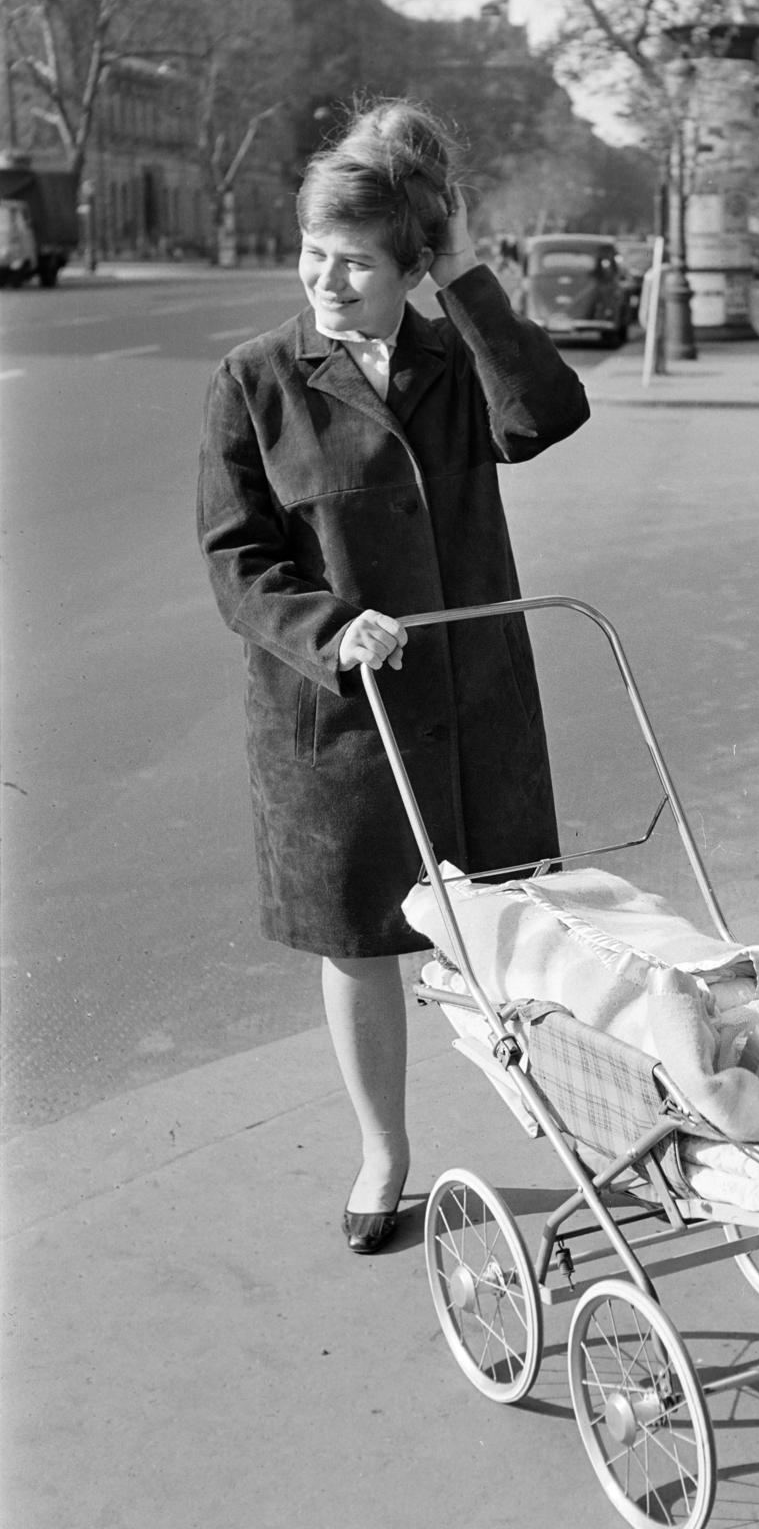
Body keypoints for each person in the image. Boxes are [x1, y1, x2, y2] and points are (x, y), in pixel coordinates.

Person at [197, 101, 590, 1254]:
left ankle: (578, 1132)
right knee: (363, 942)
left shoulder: (456, 362)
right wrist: (331, 630)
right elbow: (237, 563)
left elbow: (547, 416)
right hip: (338, 719)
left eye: (355, 262)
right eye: (312, 254)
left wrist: (467, 277)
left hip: (472, 703)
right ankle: (385, 1152)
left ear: (409, 265)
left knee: (516, 931)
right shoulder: (254, 379)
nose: (324, 280)